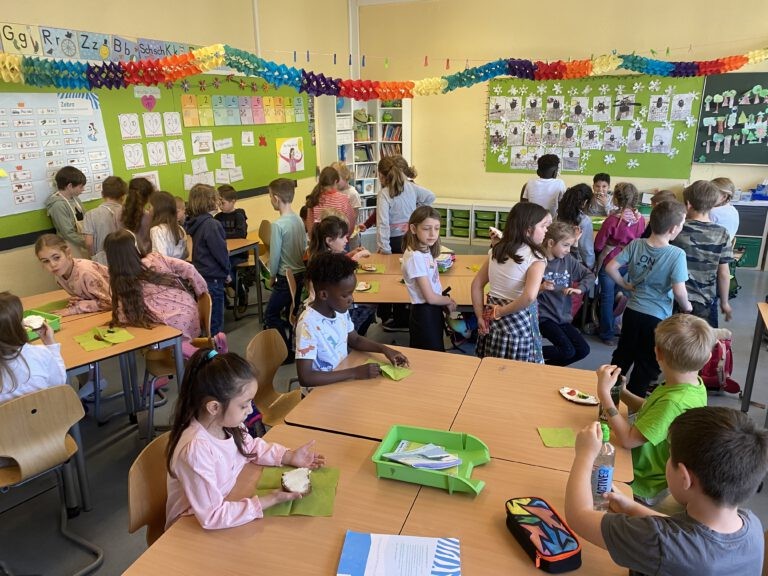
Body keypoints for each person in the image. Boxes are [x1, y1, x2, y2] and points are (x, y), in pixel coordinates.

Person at [565, 407, 767, 575]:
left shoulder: (659, 541)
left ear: (685, 478)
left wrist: (585, 454)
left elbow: (578, 516)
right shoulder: (752, 526)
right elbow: (685, 531)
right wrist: (631, 507)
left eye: (670, 456)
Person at [165, 348, 325, 530]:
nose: (250, 410)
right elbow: (212, 516)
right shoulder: (195, 449)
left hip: (225, 500)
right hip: (188, 525)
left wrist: (289, 456)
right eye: (244, 405)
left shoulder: (227, 423)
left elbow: (251, 446)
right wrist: (270, 499)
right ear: (214, 407)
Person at [596, 313, 713, 505]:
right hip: (637, 464)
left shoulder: (674, 402)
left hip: (639, 481)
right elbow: (652, 410)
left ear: (657, 353)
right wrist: (622, 392)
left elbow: (628, 440)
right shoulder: (692, 385)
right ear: (707, 358)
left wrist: (604, 395)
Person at [606, 201, 693, 399]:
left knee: (623, 355)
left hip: (632, 311)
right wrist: (687, 308)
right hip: (657, 317)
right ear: (673, 229)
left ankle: (609, 397)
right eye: (682, 224)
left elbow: (610, 267)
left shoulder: (636, 244)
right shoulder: (676, 254)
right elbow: (679, 290)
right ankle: (633, 406)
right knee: (646, 363)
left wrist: (625, 284)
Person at [295, 252, 408, 388]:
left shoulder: (338, 309)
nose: (351, 299)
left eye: (351, 293)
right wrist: (354, 373)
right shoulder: (308, 324)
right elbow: (306, 377)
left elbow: (355, 339)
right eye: (345, 295)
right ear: (324, 295)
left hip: (341, 379)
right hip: (319, 392)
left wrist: (384, 349)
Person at [471, 203, 551, 363]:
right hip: (517, 319)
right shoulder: (536, 257)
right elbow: (529, 297)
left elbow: (476, 284)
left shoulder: (497, 250)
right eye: (543, 226)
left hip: (491, 317)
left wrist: (479, 315)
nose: (546, 231)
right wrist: (500, 312)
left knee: (492, 363)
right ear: (528, 230)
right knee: (516, 369)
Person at [104, 229, 208, 344]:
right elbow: (189, 268)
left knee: (144, 343)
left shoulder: (122, 282)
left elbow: (124, 317)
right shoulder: (155, 258)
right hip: (191, 316)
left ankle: (185, 350)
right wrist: (202, 294)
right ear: (135, 247)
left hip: (172, 332)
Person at [376, 155, 435, 331]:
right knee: (408, 276)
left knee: (391, 278)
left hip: (393, 241)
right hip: (410, 238)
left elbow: (383, 223)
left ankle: (397, 318)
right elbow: (430, 196)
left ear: (382, 176)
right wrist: (417, 209)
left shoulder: (384, 194)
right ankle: (404, 314)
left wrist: (384, 248)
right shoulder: (411, 187)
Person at [671, 180, 733, 328]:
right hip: (704, 299)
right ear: (713, 204)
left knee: (672, 337)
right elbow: (724, 273)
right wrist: (724, 302)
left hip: (674, 297)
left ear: (688, 204)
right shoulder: (722, 233)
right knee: (703, 338)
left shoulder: (676, 228)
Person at [594, 182, 646, 345]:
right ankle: (616, 321)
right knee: (618, 290)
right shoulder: (640, 219)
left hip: (610, 260)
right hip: (628, 261)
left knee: (606, 297)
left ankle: (606, 333)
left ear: (615, 199)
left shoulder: (612, 220)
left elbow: (599, 244)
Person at [538, 222, 595, 366]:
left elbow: (589, 275)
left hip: (562, 316)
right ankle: (529, 353)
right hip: (543, 317)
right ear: (551, 243)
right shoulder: (538, 262)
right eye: (565, 245)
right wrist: (541, 288)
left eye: (570, 246)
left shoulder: (567, 260)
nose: (568, 250)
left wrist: (580, 289)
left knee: (583, 350)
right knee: (567, 351)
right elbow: (524, 290)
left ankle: (543, 367)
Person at [307, 215, 374, 336]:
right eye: (342, 237)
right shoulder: (325, 261)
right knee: (369, 307)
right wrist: (357, 256)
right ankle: (350, 337)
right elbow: (341, 274)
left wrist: (351, 254)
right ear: (329, 241)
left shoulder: (324, 254)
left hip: (328, 304)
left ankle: (352, 337)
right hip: (325, 311)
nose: (346, 241)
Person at [401, 206, 457, 351]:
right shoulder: (415, 257)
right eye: (426, 229)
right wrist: (448, 300)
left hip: (432, 309)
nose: (433, 234)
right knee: (431, 355)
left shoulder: (425, 249)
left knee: (436, 351)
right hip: (424, 314)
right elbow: (430, 298)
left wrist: (442, 301)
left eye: (437, 228)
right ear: (413, 229)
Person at [0, 291, 66, 405]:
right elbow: (59, 383)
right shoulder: (40, 354)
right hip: (47, 415)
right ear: (19, 326)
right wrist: (51, 345)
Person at [265, 178, 307, 355]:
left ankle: (285, 352)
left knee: (271, 314)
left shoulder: (278, 225)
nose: (270, 199)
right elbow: (304, 246)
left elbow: (274, 257)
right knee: (292, 313)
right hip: (300, 275)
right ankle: (291, 346)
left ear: (276, 198)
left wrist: (271, 277)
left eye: (270, 196)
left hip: (284, 278)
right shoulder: (298, 219)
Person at [185, 184, 229, 336]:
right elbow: (220, 253)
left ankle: (210, 348)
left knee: (207, 322)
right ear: (210, 201)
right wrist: (227, 271)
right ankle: (215, 350)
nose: (218, 201)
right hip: (213, 278)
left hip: (202, 276)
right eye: (216, 198)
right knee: (215, 324)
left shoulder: (196, 222)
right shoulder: (212, 224)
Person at [34, 233, 111, 316]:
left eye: (56, 257)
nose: (52, 264)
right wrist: (79, 300)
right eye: (46, 261)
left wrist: (75, 309)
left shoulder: (86, 272)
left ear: (68, 253)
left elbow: (110, 302)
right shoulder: (59, 275)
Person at [82, 175, 126, 265]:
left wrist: (92, 256)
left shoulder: (90, 214)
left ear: (102, 194)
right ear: (123, 196)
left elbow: (89, 243)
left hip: (102, 260)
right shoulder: (128, 212)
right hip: (125, 257)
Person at [45, 166, 87, 256]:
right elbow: (67, 233)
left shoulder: (76, 199)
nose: (83, 189)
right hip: (70, 244)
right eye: (81, 186)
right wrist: (86, 242)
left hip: (82, 241)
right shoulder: (58, 205)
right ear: (70, 186)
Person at [304, 166, 355, 235]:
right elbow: (351, 223)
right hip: (339, 238)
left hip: (320, 240)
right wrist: (346, 237)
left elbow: (310, 227)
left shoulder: (313, 199)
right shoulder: (343, 199)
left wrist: (315, 240)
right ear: (335, 181)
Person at [557, 183, 595, 269]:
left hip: (559, 259)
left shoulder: (558, 215)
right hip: (576, 262)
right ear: (585, 202)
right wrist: (591, 267)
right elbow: (586, 249)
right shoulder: (584, 221)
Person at [330, 161, 362, 249]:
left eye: (337, 179)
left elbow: (354, 216)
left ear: (346, 177)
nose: (335, 181)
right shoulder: (334, 191)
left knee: (352, 253)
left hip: (351, 235)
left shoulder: (353, 194)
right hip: (338, 233)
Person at [150, 191, 188, 260]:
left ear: (158, 208)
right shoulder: (180, 228)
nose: (148, 209)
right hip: (179, 265)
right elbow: (185, 254)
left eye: (150, 206)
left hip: (166, 266)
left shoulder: (157, 230)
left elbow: (160, 260)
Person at [121, 177, 155, 255]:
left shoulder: (118, 214)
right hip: (146, 257)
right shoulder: (150, 217)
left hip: (125, 256)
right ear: (148, 197)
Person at [710, 177, 739, 241]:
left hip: (714, 245)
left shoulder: (713, 212)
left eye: (711, 194)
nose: (707, 196)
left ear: (724, 197)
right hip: (727, 245)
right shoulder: (733, 209)